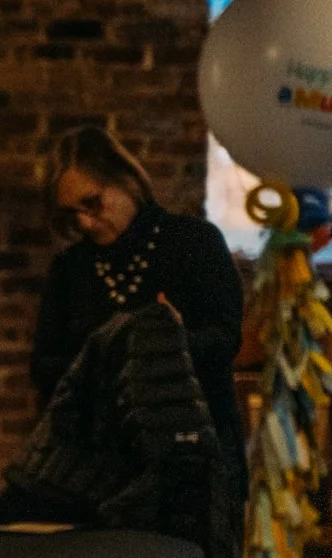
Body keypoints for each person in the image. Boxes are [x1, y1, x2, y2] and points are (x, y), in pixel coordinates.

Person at [32, 125, 245, 493]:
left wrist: (165, 341)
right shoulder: (71, 268)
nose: (84, 222)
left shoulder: (193, 242)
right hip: (103, 474)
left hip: (192, 463)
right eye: (70, 215)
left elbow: (224, 341)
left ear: (125, 181)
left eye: (91, 203)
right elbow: (44, 368)